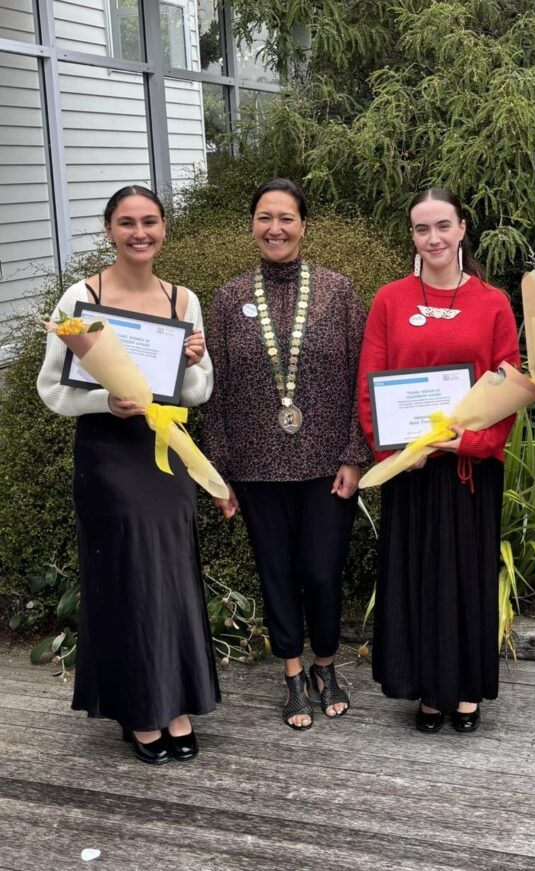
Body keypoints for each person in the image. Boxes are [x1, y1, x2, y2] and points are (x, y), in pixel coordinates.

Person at [37, 185, 220, 765]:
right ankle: (140, 708)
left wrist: (192, 363)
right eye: (127, 223)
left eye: (149, 222)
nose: (139, 233)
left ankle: (176, 700)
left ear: (164, 228)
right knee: (125, 576)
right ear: (110, 229)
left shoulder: (183, 299)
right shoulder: (80, 297)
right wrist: (104, 404)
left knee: (171, 574)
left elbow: (198, 391)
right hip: (108, 455)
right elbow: (52, 388)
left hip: (163, 452)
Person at [204, 178, 369, 730]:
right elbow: (216, 390)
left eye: (286, 218)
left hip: (327, 463)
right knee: (275, 570)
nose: (275, 228)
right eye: (264, 218)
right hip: (255, 465)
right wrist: (219, 471)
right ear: (252, 225)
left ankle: (326, 663)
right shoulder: (228, 300)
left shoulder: (338, 291)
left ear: (303, 225)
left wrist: (354, 453)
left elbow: (360, 378)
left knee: (322, 571)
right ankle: (293, 672)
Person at [357, 188, 520, 734]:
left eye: (443, 226)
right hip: (414, 469)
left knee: (466, 577)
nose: (434, 239)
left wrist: (469, 444)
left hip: (469, 470)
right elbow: (369, 384)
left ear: (462, 229)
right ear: (413, 236)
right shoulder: (390, 300)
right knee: (416, 577)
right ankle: (427, 690)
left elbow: (509, 385)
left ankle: (467, 690)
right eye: (423, 229)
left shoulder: (493, 302)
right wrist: (397, 450)